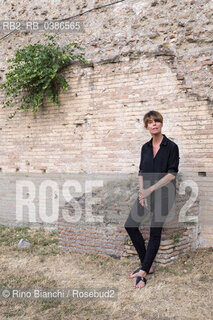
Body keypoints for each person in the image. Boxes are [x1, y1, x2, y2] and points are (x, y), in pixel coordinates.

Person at [124, 110, 180, 289]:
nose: (154, 124)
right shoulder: (145, 148)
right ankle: (147, 263)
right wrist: (142, 193)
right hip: (147, 193)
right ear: (146, 126)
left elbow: (171, 174)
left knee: (155, 231)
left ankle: (143, 272)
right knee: (130, 225)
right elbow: (141, 172)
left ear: (161, 123)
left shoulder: (171, 146)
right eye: (150, 122)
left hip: (164, 195)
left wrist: (150, 189)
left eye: (157, 121)